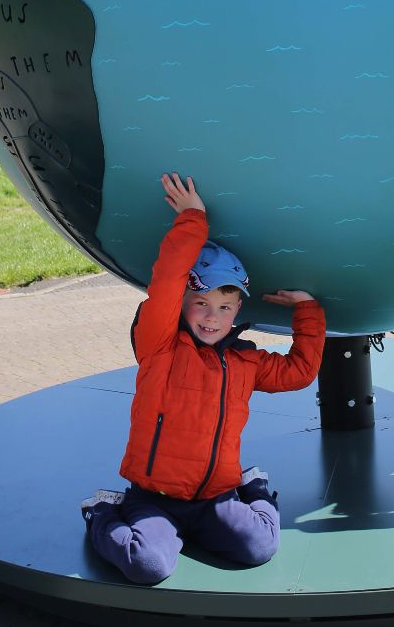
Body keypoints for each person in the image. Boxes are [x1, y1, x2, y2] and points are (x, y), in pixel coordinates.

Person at [82, 172, 325, 582]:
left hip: (216, 498)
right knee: (149, 566)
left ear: (237, 312)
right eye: (201, 302)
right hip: (154, 500)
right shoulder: (159, 346)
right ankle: (102, 511)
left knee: (260, 547)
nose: (213, 317)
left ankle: (255, 487)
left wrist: (307, 311)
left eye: (226, 307)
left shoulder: (245, 363)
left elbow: (300, 371)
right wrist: (193, 218)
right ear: (183, 302)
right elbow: (167, 281)